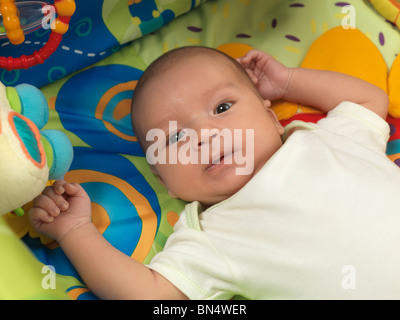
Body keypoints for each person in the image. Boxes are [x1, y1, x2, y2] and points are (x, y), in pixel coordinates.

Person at [29, 46, 400, 300]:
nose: (205, 135)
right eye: (174, 136)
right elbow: (150, 293)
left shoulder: (325, 137)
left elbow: (369, 101)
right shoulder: (211, 236)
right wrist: (75, 230)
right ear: (163, 179)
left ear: (271, 117)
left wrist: (288, 81)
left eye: (222, 107)